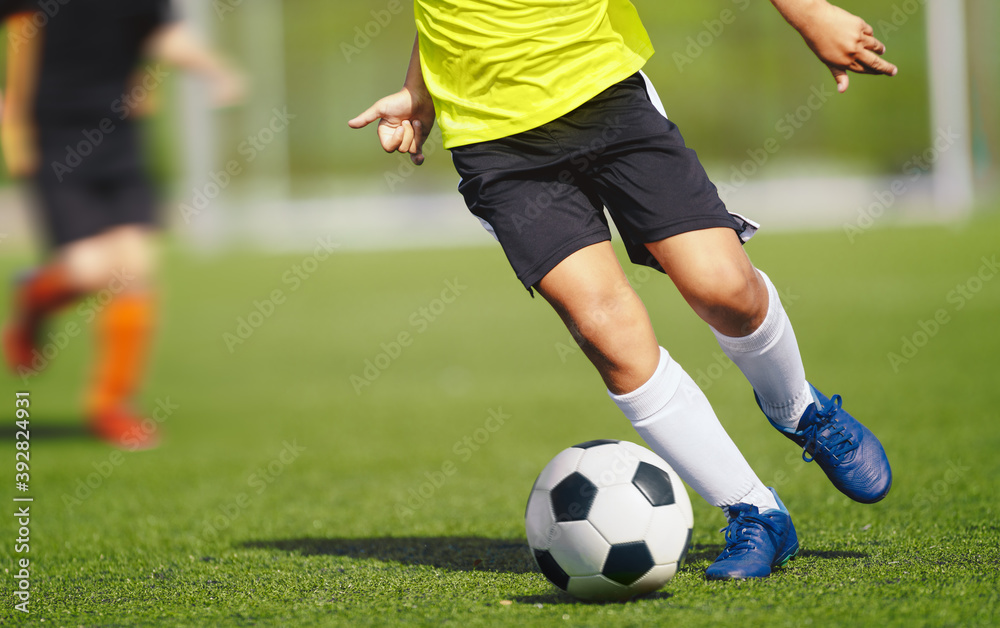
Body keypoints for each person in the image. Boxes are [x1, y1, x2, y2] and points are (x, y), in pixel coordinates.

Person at [349, 0, 895, 580]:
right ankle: (754, 511)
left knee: (724, 289)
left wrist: (808, 13)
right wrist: (422, 89)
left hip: (606, 97)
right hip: (498, 145)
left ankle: (800, 410)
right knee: (609, 334)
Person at [2, 0, 244, 449]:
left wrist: (215, 70)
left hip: (121, 134)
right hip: (54, 135)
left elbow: (161, 33)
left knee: (135, 269)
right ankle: (34, 301)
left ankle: (111, 407)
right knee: (89, 269)